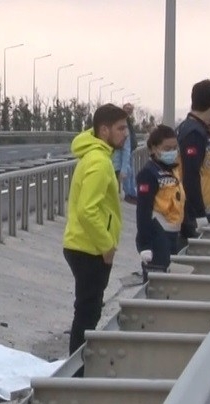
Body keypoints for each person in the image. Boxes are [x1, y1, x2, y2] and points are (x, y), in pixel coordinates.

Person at [64, 104, 129, 363]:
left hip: (84, 245)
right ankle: (77, 371)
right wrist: (107, 247)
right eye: (121, 128)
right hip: (89, 248)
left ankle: (78, 368)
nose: (126, 134)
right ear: (104, 130)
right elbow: (87, 210)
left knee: (88, 311)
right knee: (87, 314)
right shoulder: (100, 163)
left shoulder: (95, 156)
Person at [176, 80, 210, 244]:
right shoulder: (194, 133)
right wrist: (199, 214)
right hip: (193, 217)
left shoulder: (202, 131)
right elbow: (191, 175)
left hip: (203, 212)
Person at [134, 125, 185, 280]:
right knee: (159, 281)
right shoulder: (148, 173)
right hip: (157, 236)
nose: (172, 152)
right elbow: (143, 210)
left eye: (174, 148)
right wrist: (145, 245)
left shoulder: (173, 171)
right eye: (167, 148)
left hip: (173, 235)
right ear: (154, 149)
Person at [113, 102, 140, 204]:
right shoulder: (122, 126)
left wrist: (124, 169)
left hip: (119, 162)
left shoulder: (126, 125)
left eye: (130, 109)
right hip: (114, 163)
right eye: (127, 108)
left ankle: (130, 194)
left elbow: (126, 147)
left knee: (129, 174)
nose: (128, 111)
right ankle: (129, 194)